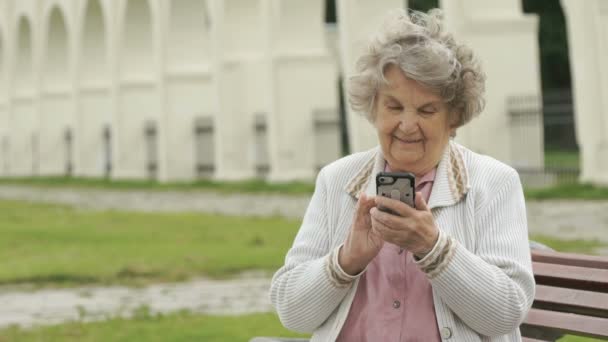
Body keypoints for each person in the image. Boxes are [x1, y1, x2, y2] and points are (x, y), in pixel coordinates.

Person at [270, 8, 534, 342]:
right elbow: (292, 313)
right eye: (393, 107)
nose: (407, 126)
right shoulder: (336, 180)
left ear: (454, 118)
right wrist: (346, 260)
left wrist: (432, 246)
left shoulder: (494, 183)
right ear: (373, 108)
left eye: (427, 110)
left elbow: (506, 313)